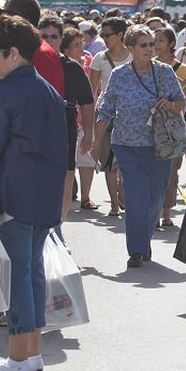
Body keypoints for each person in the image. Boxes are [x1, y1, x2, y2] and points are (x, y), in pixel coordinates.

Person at [0, 16, 67, 371]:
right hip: (43, 198)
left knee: (19, 276)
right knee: (31, 273)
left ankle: (18, 360)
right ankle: (30, 356)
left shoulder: (3, 93)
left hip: (12, 198)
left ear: (14, 53)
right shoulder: (47, 89)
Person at [91, 25, 186, 268]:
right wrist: (95, 140)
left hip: (159, 145)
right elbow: (105, 109)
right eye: (143, 45)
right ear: (130, 48)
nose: (149, 49)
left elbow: (181, 103)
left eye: (151, 44)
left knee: (155, 195)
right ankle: (136, 249)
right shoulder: (120, 74)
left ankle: (143, 241)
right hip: (126, 144)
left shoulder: (165, 72)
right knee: (137, 195)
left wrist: (169, 104)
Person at [38, 15, 95, 228]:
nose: (49, 40)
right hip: (37, 129)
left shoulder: (72, 67)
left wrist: (89, 134)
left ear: (61, 39)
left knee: (66, 178)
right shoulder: (30, 63)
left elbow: (87, 102)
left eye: (54, 36)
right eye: (45, 36)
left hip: (66, 127)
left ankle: (58, 227)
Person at [89, 16, 131, 216]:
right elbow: (92, 91)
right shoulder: (100, 58)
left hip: (130, 115)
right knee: (107, 161)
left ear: (120, 35)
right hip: (105, 114)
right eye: (102, 34)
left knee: (125, 160)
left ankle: (123, 193)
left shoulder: (134, 56)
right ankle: (114, 205)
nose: (104, 38)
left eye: (108, 34)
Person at [153, 28, 186, 227]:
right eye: (154, 40)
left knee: (171, 171)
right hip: (151, 125)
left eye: (161, 40)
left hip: (173, 125)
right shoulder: (147, 65)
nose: (156, 44)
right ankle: (151, 210)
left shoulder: (181, 69)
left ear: (170, 44)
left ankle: (166, 212)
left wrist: (176, 84)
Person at [61, 27, 99, 210]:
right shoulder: (61, 65)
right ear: (65, 48)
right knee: (69, 165)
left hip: (84, 117)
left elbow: (91, 93)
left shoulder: (89, 62)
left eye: (81, 43)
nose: (80, 48)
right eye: (76, 45)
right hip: (68, 120)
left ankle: (85, 196)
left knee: (85, 160)